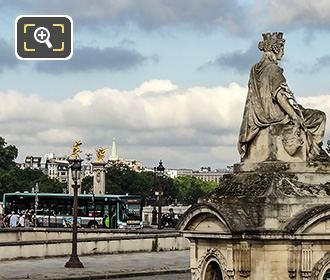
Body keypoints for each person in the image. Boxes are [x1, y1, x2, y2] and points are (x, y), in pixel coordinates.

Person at [238, 32, 326, 161]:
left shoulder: (255, 69)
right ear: (276, 48)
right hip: (275, 114)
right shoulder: (274, 69)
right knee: (319, 116)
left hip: (259, 115)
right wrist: (295, 117)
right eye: (282, 49)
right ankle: (314, 153)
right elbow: (281, 97)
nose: (283, 53)